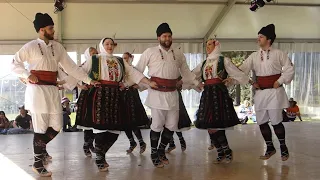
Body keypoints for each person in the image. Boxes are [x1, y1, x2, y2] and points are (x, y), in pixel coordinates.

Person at [11, 12, 99, 177]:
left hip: (52, 91)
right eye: (51, 28)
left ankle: (40, 150)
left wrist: (88, 79)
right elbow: (14, 63)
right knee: (40, 127)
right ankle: (38, 163)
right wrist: (27, 74)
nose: (54, 30)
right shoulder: (30, 46)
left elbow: (72, 67)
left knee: (57, 126)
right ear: (42, 30)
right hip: (37, 91)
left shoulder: (57, 47)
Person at [73, 38, 157, 171]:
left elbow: (133, 73)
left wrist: (147, 81)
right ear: (102, 45)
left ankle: (100, 154)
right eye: (106, 44)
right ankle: (100, 159)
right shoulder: (94, 59)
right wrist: (85, 81)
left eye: (111, 44)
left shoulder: (119, 60)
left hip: (116, 95)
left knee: (115, 130)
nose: (110, 46)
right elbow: (79, 71)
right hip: (99, 95)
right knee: (100, 128)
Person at [135, 23, 200, 168]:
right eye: (164, 36)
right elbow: (137, 70)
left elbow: (186, 72)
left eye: (169, 36)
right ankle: (153, 154)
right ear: (158, 37)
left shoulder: (178, 53)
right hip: (157, 94)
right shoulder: (150, 52)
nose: (167, 38)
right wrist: (146, 83)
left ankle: (160, 150)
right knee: (157, 125)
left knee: (172, 125)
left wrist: (196, 82)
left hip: (173, 94)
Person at [239, 24, 294, 161]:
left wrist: (280, 81)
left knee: (276, 122)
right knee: (262, 122)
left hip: (275, 93)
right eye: (258, 36)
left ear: (268, 39)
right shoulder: (254, 56)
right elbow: (242, 69)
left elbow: (289, 69)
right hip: (261, 93)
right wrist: (231, 72)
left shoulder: (279, 53)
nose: (258, 39)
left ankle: (283, 147)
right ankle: (270, 147)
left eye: (261, 37)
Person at [192, 39, 249, 164]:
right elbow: (192, 75)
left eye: (210, 45)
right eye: (206, 45)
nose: (207, 47)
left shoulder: (224, 60)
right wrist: (197, 83)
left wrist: (231, 80)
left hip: (218, 94)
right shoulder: (204, 63)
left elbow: (237, 73)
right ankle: (221, 151)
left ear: (216, 46)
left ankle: (226, 150)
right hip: (207, 94)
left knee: (217, 123)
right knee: (208, 124)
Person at [122, 52, 147, 154]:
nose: (125, 60)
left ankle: (141, 142)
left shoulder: (135, 69)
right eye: (123, 58)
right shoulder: (121, 69)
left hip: (132, 97)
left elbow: (144, 83)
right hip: (123, 97)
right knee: (124, 122)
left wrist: (137, 86)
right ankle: (132, 142)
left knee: (133, 121)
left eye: (126, 58)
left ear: (131, 58)